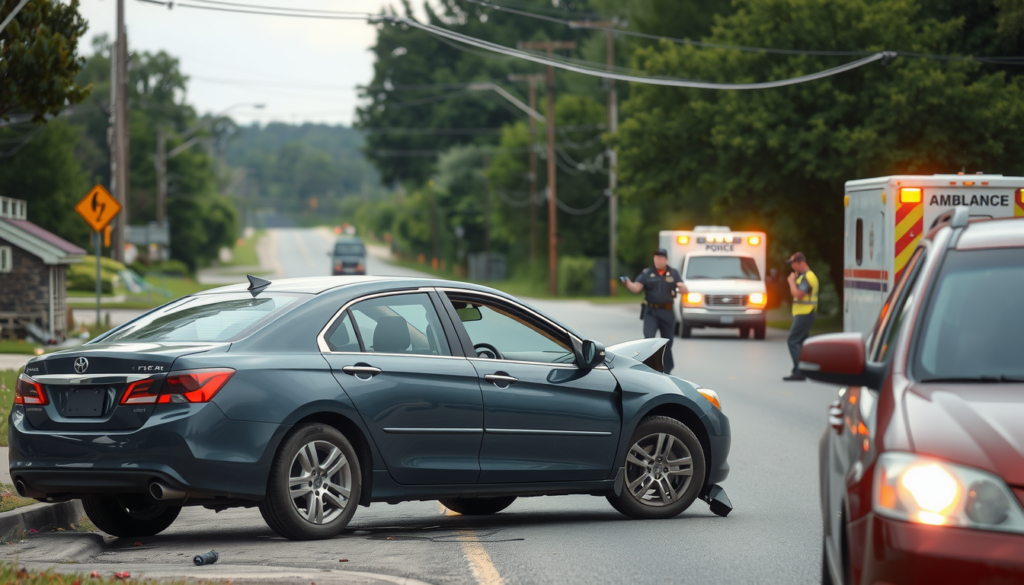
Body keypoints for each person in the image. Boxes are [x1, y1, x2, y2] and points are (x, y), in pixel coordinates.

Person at [622, 248, 685, 375]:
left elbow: (684, 290)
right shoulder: (647, 273)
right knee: (649, 339)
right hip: (651, 312)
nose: (658, 260)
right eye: (656, 258)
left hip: (667, 311)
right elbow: (636, 288)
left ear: (666, 260)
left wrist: (682, 287)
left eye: (660, 258)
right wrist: (628, 283)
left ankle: (667, 370)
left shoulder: (673, 273)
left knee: (667, 342)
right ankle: (649, 368)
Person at [783, 252, 819, 381]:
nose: (792, 266)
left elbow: (798, 295)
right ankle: (806, 369)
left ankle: (799, 372)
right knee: (802, 343)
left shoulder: (808, 277)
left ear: (800, 263)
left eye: (793, 263)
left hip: (805, 313)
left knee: (792, 340)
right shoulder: (802, 276)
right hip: (804, 313)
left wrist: (791, 282)